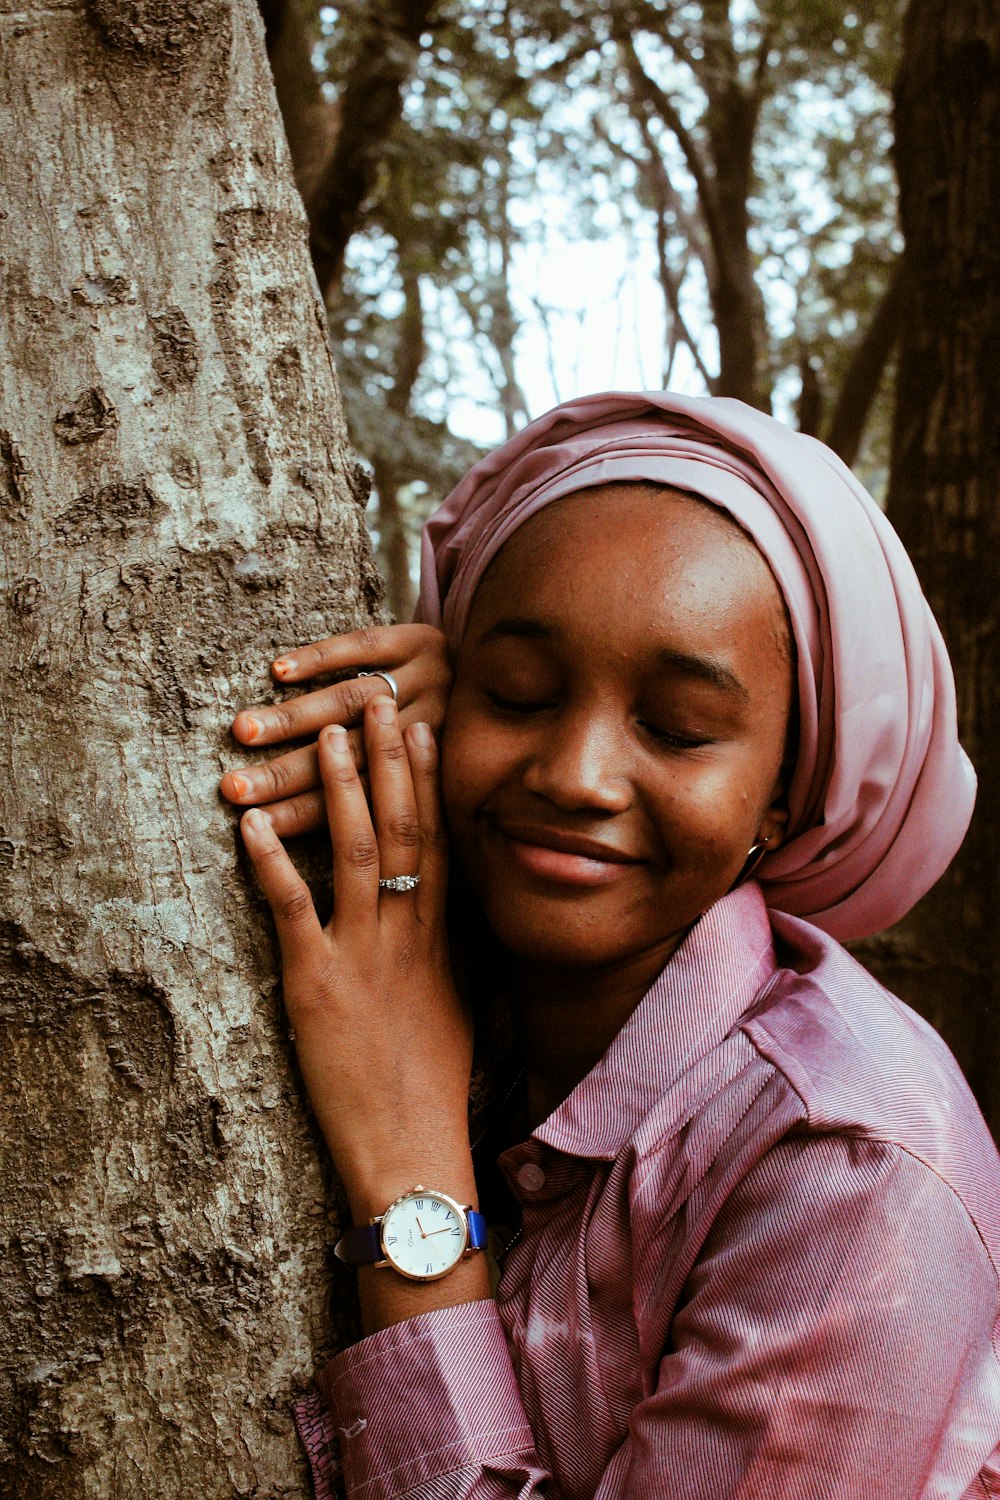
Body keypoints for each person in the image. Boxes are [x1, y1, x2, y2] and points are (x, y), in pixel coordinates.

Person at [222, 391, 1000, 1499]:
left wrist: (408, 1178)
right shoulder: (453, 968)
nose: (574, 775)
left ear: (781, 798)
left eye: (676, 728)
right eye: (519, 692)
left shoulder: (852, 1169)